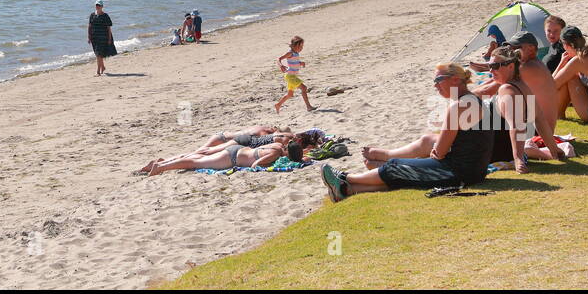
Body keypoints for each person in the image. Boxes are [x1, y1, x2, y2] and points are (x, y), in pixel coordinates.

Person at [322, 63, 496, 200]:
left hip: (458, 173)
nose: (435, 86)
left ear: (456, 80)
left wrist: (434, 154)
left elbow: (441, 152)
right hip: (474, 171)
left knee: (395, 167)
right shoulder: (473, 100)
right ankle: (347, 190)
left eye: (438, 80)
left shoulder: (459, 106)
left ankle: (346, 178)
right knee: (403, 172)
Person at [472, 32, 565, 161]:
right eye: (510, 48)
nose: (512, 52)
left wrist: (461, 99)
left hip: (536, 131)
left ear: (531, 49)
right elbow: (492, 83)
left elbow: (487, 90)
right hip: (539, 127)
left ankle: (532, 152)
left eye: (516, 48)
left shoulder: (526, 68)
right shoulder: (534, 65)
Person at [144, 138, 305, 175]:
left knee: (198, 157)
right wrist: (268, 166)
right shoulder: (275, 153)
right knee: (195, 162)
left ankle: (163, 162)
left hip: (238, 149)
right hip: (232, 158)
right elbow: (256, 165)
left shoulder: (277, 145)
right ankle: (161, 167)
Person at [275, 36, 313, 114]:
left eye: (302, 46)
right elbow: (279, 59)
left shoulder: (296, 53)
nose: (301, 48)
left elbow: (294, 62)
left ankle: (278, 105)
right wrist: (281, 65)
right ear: (294, 45)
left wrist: (300, 63)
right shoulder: (290, 53)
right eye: (300, 46)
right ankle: (308, 107)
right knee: (304, 88)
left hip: (293, 76)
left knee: (290, 94)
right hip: (290, 76)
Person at [87, 1, 117, 75]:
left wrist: (109, 39)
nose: (97, 7)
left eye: (99, 5)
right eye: (96, 5)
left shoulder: (105, 16)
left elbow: (109, 28)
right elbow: (89, 26)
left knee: (98, 54)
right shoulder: (92, 15)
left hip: (103, 37)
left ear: (102, 7)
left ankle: (98, 71)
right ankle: (102, 67)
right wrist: (89, 36)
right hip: (94, 38)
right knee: (98, 54)